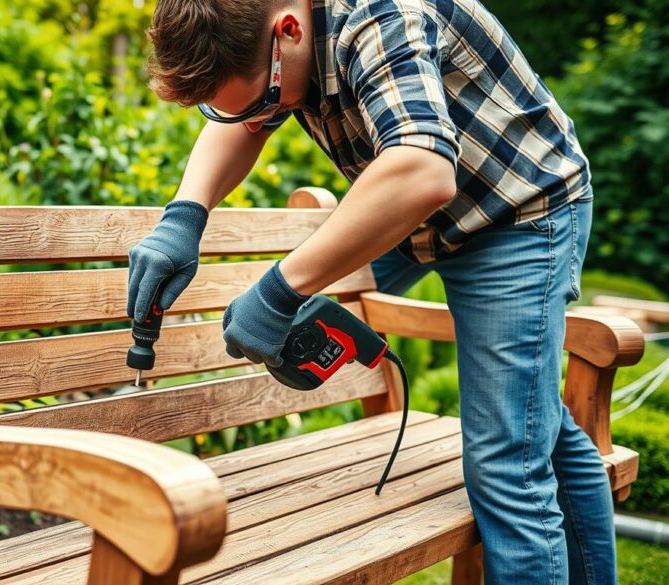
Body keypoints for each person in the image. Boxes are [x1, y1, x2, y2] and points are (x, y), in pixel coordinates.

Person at [124, 0, 611, 583]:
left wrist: (279, 292)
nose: (256, 119)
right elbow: (241, 118)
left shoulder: (382, 17)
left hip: (516, 211)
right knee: (531, 419)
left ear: (289, 30)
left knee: (506, 463)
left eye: (262, 104)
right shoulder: (268, 38)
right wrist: (184, 217)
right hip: (414, 217)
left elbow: (423, 171)